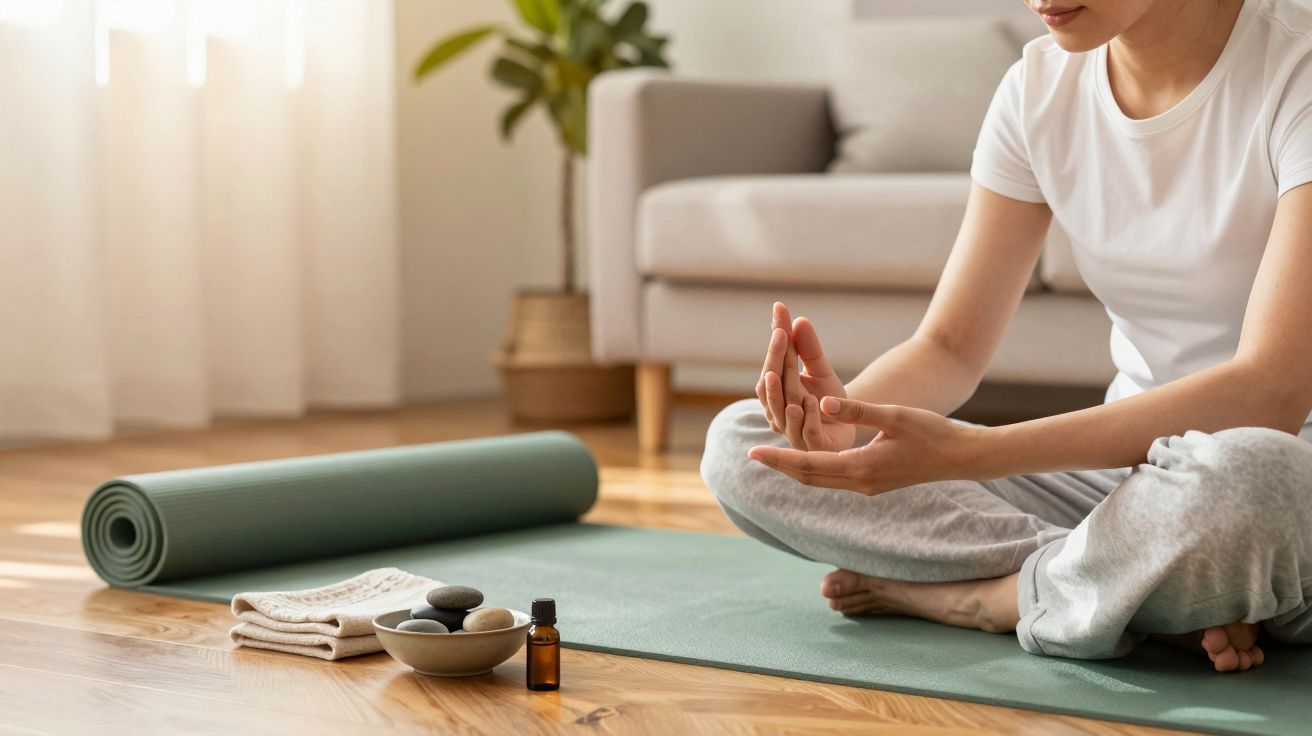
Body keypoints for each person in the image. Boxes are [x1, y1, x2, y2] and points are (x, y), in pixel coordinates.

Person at [701, 0, 1312, 672]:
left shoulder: (1297, 66)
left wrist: (975, 453)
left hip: (1272, 479)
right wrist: (844, 426)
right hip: (1128, 485)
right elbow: (950, 347)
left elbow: (1270, 391)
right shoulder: (1038, 87)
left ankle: (991, 600)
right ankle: (1136, 584)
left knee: (1246, 479)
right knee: (745, 449)